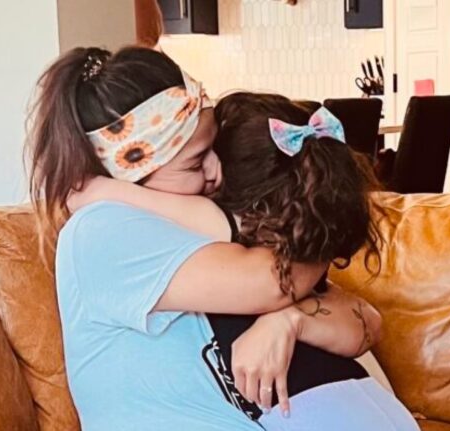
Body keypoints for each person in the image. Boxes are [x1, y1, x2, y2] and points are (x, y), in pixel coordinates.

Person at [27, 45, 419, 430]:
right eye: (196, 161)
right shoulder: (101, 231)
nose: (216, 171)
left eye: (213, 149)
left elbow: (363, 322)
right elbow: (269, 283)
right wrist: (324, 218)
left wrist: (291, 319)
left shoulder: (194, 230)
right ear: (134, 167)